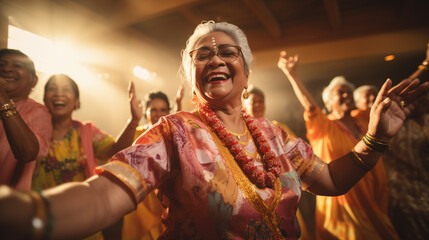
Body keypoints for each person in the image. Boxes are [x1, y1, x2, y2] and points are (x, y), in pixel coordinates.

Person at [0, 21, 428, 240]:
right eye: (203, 55)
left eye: (228, 51)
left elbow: (332, 180)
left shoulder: (277, 136)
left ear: (246, 70)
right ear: (191, 74)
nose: (217, 59)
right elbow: (103, 195)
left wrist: (377, 137)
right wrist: (30, 213)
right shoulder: (174, 132)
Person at [277, 52, 403, 239]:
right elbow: (310, 106)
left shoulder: (361, 120)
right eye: (340, 92)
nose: (347, 95)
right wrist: (292, 74)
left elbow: (389, 102)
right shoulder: (323, 125)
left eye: (349, 92)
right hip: (340, 201)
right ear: (328, 101)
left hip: (372, 197)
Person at [31, 74, 142, 239]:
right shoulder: (32, 133)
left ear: (76, 101)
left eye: (66, 89)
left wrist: (134, 120)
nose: (58, 93)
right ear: (45, 100)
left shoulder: (87, 132)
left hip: (81, 219)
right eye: (52, 89)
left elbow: (116, 150)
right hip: (40, 219)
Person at [243, 85, 313, 240]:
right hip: (254, 188)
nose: (258, 105)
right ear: (244, 105)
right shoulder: (241, 130)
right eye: (254, 101)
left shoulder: (277, 127)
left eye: (261, 101)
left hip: (283, 185)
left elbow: (296, 155)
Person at [382, 44, 429, 240]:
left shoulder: (426, 122)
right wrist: (425, 65)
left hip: (425, 186)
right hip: (402, 192)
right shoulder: (395, 123)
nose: (423, 102)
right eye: (419, 99)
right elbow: (397, 94)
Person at [124, 88, 184, 240]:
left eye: (163, 110)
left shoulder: (172, 135)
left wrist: (179, 106)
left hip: (166, 202)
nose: (158, 114)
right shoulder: (137, 134)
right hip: (141, 204)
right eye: (154, 110)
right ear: (146, 111)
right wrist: (133, 120)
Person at [0, 49, 52, 190]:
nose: (6, 68)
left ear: (33, 81)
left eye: (17, 65)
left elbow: (28, 152)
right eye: (2, 64)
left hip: (7, 207)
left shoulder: (37, 112)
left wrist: (2, 97)